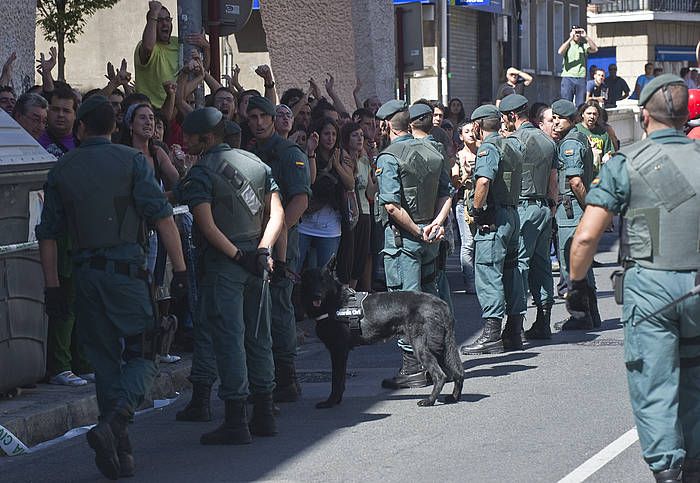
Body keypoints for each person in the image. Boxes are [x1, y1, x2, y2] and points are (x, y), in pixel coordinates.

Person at [36, 95, 188, 479]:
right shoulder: (133, 161)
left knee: (104, 363)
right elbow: (163, 217)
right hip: (126, 275)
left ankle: (120, 449)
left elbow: (48, 234)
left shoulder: (62, 168)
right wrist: (182, 271)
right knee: (144, 353)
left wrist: (52, 286)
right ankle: (116, 423)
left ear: (81, 128)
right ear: (113, 127)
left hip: (85, 277)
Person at [566, 74, 700, 483]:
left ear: (644, 115)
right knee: (695, 380)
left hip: (653, 291)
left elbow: (586, 235)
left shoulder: (627, 163)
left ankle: (668, 471)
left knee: (655, 382)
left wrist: (575, 285)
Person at [175, 106, 284, 445]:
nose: (185, 142)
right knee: (259, 335)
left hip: (227, 263)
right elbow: (277, 212)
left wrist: (238, 256)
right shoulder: (256, 164)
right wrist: (263, 250)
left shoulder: (200, 173)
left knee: (229, 339)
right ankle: (264, 413)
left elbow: (206, 226)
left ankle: (236, 419)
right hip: (257, 258)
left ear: (206, 138)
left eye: (189, 137)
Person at [374, 100, 449, 389]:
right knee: (429, 301)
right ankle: (435, 361)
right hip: (430, 237)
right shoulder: (433, 149)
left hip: (405, 240)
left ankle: (413, 365)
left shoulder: (388, 156)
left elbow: (391, 206)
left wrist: (418, 231)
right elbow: (446, 193)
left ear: (385, 125)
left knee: (405, 305)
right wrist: (436, 224)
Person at [247, 96, 311, 403]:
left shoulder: (288, 152)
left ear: (274, 119)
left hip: (283, 239)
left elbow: (300, 199)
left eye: (264, 116)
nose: (258, 122)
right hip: (254, 238)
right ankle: (266, 373)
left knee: (279, 304)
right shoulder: (249, 152)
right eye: (253, 117)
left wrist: (278, 234)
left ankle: (286, 376)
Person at [459, 104, 525, 355]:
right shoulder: (513, 144)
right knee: (511, 272)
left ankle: (491, 335)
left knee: (488, 272)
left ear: (476, 126)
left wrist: (476, 210)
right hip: (511, 215)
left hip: (493, 217)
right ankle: (514, 331)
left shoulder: (488, 147)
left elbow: (484, 180)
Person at [499, 95, 559, 340]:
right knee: (542, 265)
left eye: (505, 118)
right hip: (544, 207)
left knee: (519, 266)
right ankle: (543, 321)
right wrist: (551, 209)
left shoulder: (512, 141)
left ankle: (515, 325)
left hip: (522, 207)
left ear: (512, 116)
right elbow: (554, 180)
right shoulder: (547, 141)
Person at [550, 99, 600, 330]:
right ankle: (591, 314)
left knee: (572, 264)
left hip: (571, 210)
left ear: (571, 120)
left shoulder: (570, 143)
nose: (555, 121)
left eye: (559, 118)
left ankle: (581, 316)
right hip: (574, 209)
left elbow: (576, 181)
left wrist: (588, 207)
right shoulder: (579, 137)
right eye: (554, 118)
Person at [134, 1, 179, 108]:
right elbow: (148, 47)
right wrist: (153, 13)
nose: (165, 24)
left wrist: (206, 48)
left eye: (168, 20)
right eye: (159, 20)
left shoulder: (178, 43)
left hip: (176, 109)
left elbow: (201, 70)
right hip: (152, 111)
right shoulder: (145, 45)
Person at [453, 121, 478, 293]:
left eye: (473, 130)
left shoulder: (484, 152)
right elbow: (454, 185)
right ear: (461, 136)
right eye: (466, 131)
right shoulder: (457, 157)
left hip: (483, 202)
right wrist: (467, 174)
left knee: (481, 242)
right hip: (464, 203)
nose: (470, 134)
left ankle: (481, 279)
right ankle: (470, 282)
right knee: (468, 243)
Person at [558, 26, 599, 106]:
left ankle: (579, 118)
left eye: (578, 33)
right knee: (566, 103)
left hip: (580, 77)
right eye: (575, 32)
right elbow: (560, 51)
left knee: (580, 104)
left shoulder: (583, 46)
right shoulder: (568, 45)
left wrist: (586, 36)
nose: (577, 35)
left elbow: (595, 49)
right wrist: (570, 38)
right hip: (568, 77)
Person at [575, 100, 616, 176]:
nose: (592, 116)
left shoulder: (603, 133)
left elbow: (610, 152)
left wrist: (608, 157)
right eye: (589, 113)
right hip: (581, 174)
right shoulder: (576, 130)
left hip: (598, 176)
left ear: (598, 116)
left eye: (594, 114)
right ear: (582, 114)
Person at [38, 87, 78, 159]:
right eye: (55, 110)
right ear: (48, 111)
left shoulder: (83, 145)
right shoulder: (34, 140)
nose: (60, 115)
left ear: (75, 115)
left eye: (66, 111)